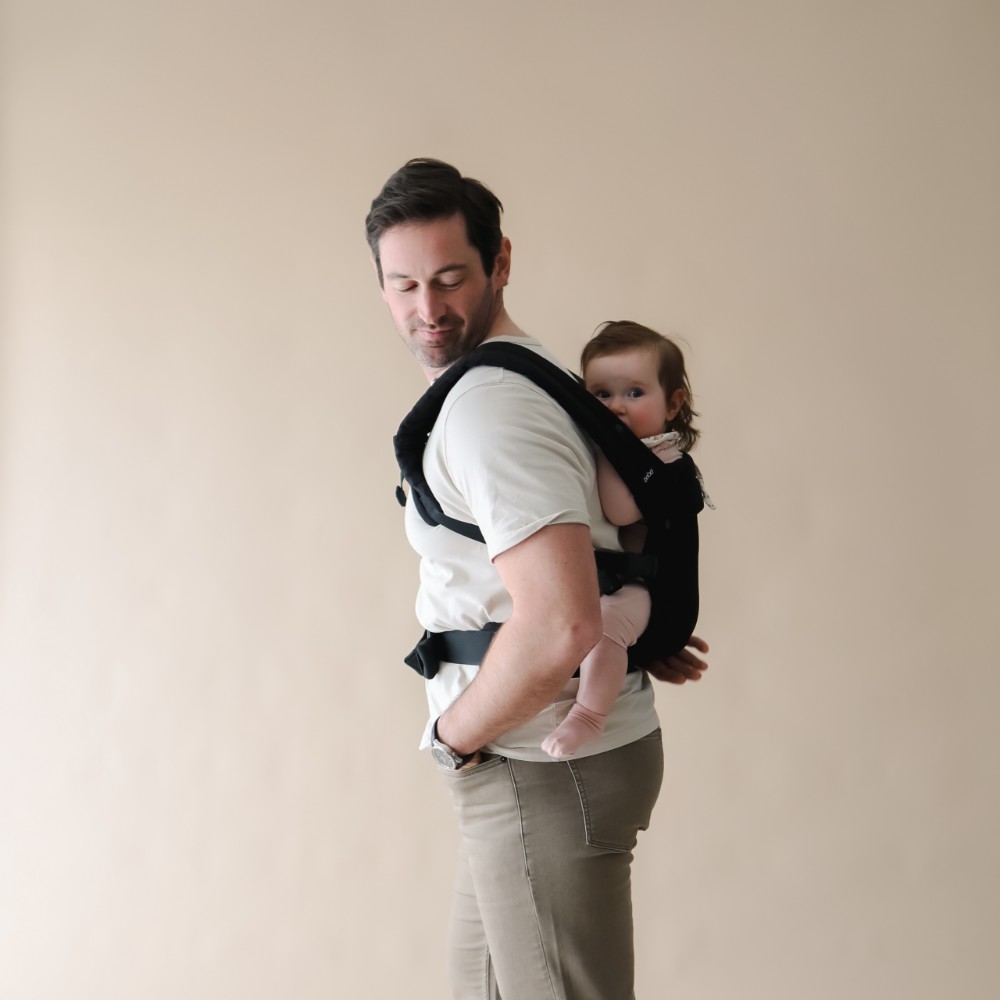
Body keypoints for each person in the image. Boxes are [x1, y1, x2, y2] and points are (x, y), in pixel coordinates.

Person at [366, 158, 709, 1000]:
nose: (428, 309)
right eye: (403, 284)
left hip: (540, 761)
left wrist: (454, 737)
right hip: (545, 756)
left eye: (450, 278)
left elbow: (558, 625)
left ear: (500, 264)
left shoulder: (490, 406)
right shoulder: (525, 376)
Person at [541, 321, 701, 759]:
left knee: (605, 624)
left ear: (673, 404)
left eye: (634, 393)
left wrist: (603, 445)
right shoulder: (632, 453)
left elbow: (619, 510)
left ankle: (590, 716)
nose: (616, 408)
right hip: (630, 584)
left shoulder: (664, 459)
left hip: (652, 596)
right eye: (601, 396)